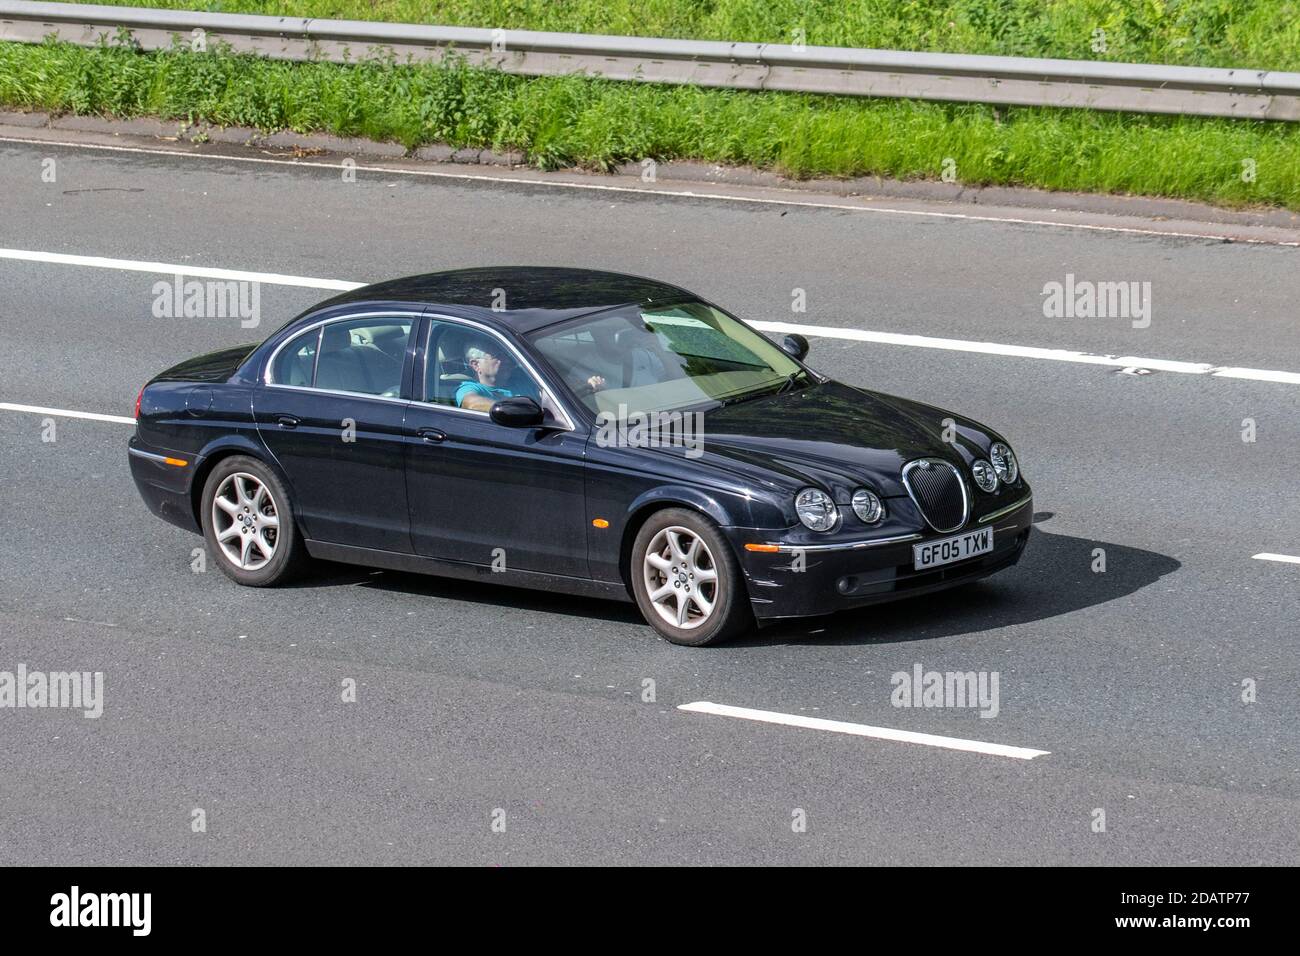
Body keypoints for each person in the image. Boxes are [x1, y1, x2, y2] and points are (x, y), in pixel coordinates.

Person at [456, 340, 606, 411]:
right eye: (499, 356)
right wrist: (515, 411)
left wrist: (587, 386)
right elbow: (471, 403)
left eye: (507, 354)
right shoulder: (469, 388)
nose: (508, 360)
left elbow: (553, 394)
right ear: (475, 365)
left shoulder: (522, 376)